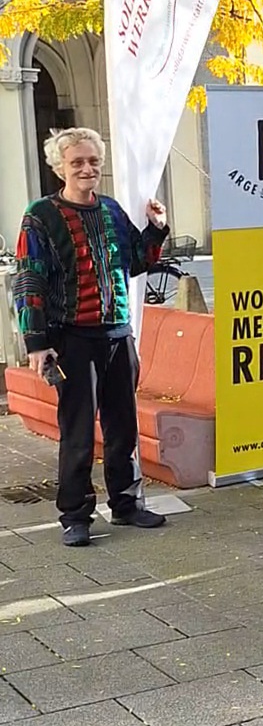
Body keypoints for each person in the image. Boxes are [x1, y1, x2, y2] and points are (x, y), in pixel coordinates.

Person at [13, 128, 169, 547]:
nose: (87, 169)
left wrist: (156, 229)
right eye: (77, 162)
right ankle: (75, 515)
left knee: (124, 425)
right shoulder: (40, 215)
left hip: (118, 334)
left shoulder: (112, 211)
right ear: (59, 166)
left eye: (93, 161)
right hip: (72, 339)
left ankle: (126, 503)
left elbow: (137, 263)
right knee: (78, 430)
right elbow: (29, 279)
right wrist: (36, 341)